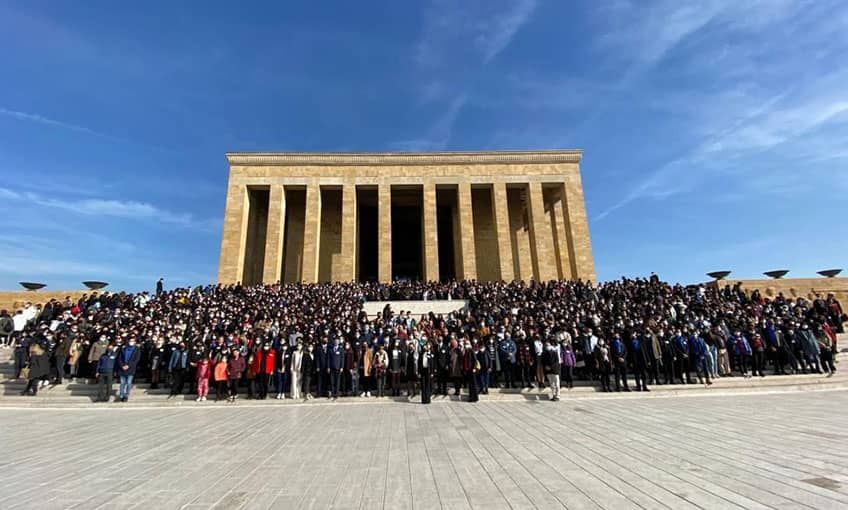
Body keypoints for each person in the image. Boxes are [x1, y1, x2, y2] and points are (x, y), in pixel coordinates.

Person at [116, 337, 140, 402]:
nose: (131, 342)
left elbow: (136, 360)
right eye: (130, 341)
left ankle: (126, 395)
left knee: (129, 383)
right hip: (122, 368)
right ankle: (121, 395)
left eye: (133, 341)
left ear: (135, 342)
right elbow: (119, 358)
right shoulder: (123, 349)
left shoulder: (137, 349)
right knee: (122, 383)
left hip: (131, 369)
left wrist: (128, 365)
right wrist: (122, 366)